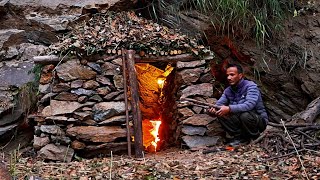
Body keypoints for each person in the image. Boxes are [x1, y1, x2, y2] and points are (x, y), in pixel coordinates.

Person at [208, 64, 268, 146]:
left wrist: (229, 108)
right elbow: (219, 104)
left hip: (258, 121)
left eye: (232, 75)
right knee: (220, 113)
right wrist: (213, 110)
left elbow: (249, 105)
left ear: (240, 76)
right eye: (228, 75)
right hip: (240, 121)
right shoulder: (228, 90)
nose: (229, 78)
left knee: (245, 115)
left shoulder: (251, 86)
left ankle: (255, 137)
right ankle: (240, 138)